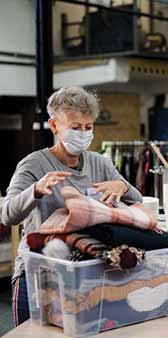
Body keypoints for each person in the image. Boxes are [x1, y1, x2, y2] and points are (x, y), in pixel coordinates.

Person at [1, 87, 143, 326]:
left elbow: (136, 199)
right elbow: (7, 214)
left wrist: (122, 186)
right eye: (75, 128)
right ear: (55, 126)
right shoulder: (34, 164)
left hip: (85, 275)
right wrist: (35, 190)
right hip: (38, 275)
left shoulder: (100, 163)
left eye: (89, 127)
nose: (84, 134)